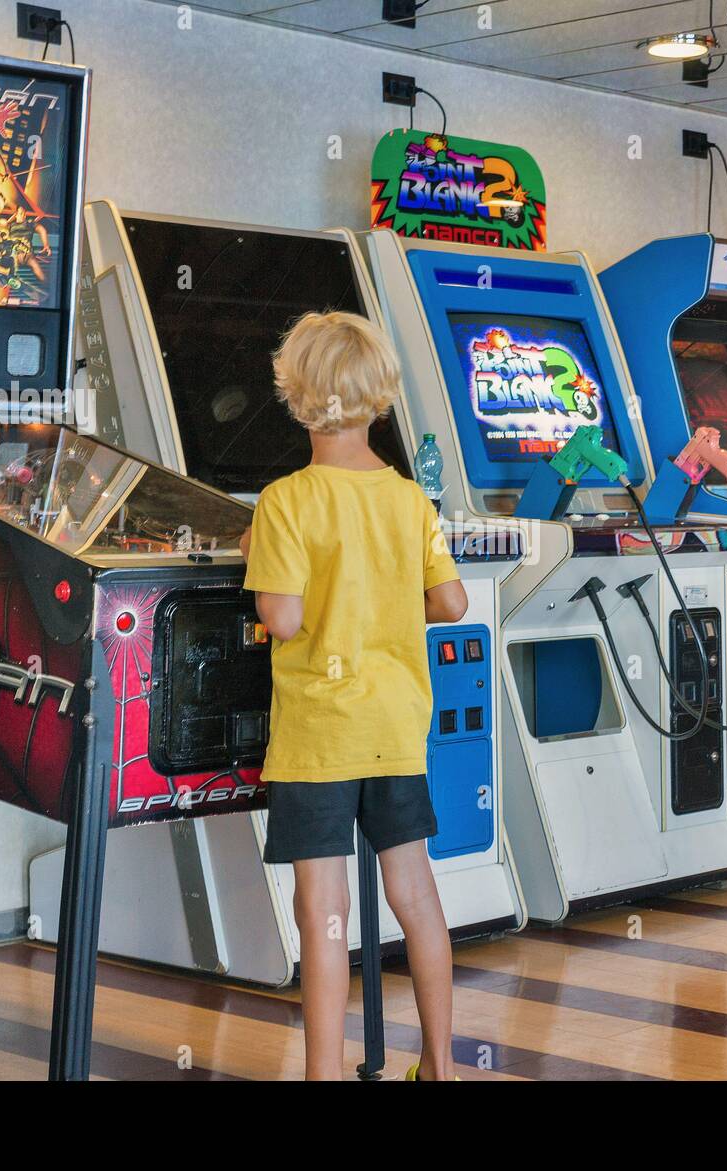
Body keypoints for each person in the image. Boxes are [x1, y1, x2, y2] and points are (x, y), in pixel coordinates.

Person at [243, 311, 468, 1079]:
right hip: (395, 724)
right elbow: (452, 603)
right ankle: (439, 1064)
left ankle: (324, 1076)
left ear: (295, 394)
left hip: (318, 736)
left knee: (325, 911)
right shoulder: (411, 501)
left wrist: (263, 564)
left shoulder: (285, 501)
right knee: (416, 891)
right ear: (380, 398)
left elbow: (283, 615)